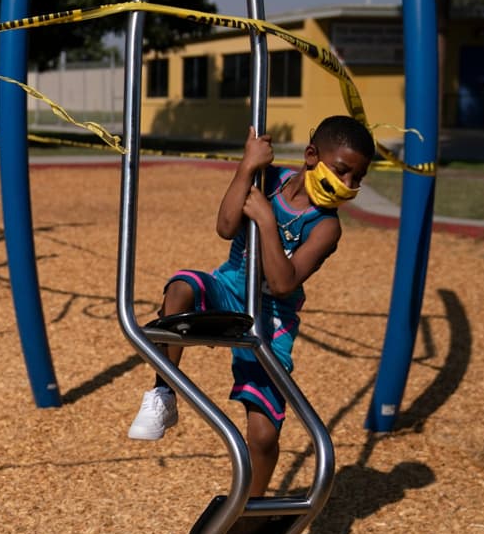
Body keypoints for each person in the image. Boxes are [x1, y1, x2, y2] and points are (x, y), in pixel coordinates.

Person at [127, 115, 375, 498]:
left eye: (357, 179)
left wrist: (267, 223)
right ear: (311, 156)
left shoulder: (326, 226)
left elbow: (283, 283)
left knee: (262, 433)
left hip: (273, 318)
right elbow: (226, 227)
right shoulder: (267, 181)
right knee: (180, 289)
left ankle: (250, 503)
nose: (347, 186)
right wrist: (246, 167)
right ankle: (164, 394)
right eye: (342, 171)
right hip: (229, 287)